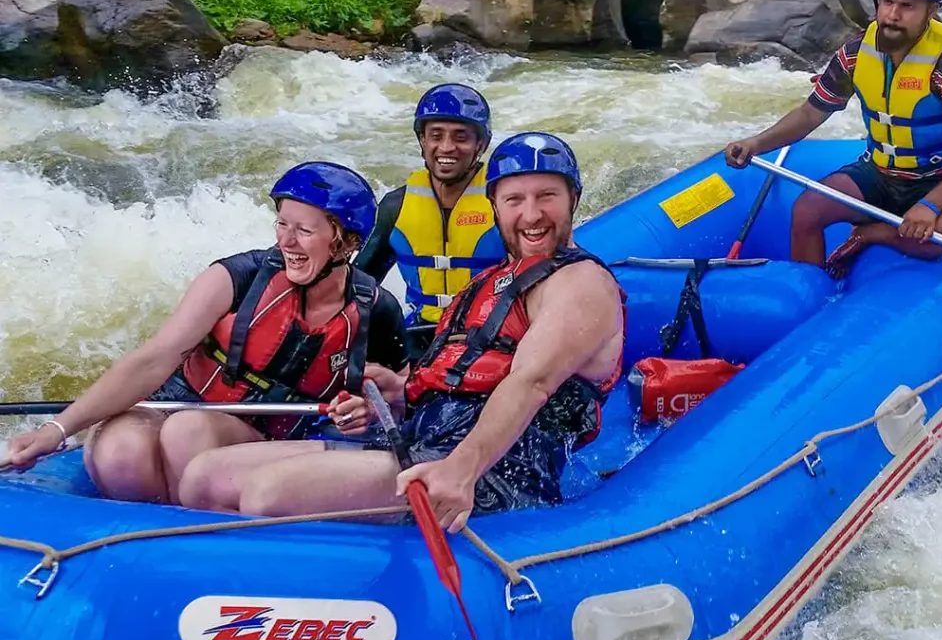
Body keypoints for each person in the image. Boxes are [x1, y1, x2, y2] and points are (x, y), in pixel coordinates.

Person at [177, 133, 625, 532]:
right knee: (205, 477)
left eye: (546, 196)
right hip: (424, 441)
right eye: (514, 200)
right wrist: (399, 392)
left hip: (498, 471)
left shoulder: (579, 282)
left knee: (265, 494)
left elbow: (531, 382)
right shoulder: (496, 279)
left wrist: (461, 471)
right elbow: (459, 379)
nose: (531, 214)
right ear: (494, 207)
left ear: (573, 199)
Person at [4, 163, 409, 505]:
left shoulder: (376, 309)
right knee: (118, 455)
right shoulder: (237, 278)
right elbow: (154, 359)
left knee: (188, 431)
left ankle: (204, 537)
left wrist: (374, 406)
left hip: (271, 431)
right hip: (179, 402)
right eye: (282, 223)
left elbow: (401, 396)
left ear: (347, 242)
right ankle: (154, 539)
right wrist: (55, 430)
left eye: (304, 230)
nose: (286, 241)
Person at [724, 0, 942, 278]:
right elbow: (811, 112)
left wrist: (930, 205)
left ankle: (872, 233)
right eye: (886, 2)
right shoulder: (855, 52)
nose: (892, 15)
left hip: (939, 178)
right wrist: (756, 144)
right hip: (881, 173)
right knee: (807, 211)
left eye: (907, 6)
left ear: (932, 10)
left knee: (939, 238)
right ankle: (811, 296)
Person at [356, 83, 505, 357]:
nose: (446, 147)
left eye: (461, 137)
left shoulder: (506, 202)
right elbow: (359, 284)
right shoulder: (395, 206)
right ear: (423, 141)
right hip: (419, 335)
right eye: (436, 135)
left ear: (481, 144)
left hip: (493, 337)